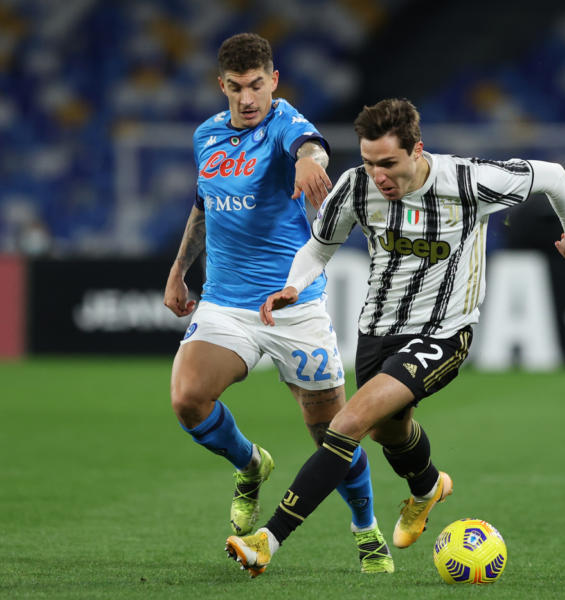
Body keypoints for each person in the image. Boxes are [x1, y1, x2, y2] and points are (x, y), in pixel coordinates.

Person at [225, 98, 565, 577]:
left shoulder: (467, 181)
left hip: (444, 333)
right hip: (376, 330)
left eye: (389, 163)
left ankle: (267, 540)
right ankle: (428, 486)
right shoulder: (355, 186)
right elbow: (319, 247)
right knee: (386, 432)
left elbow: (554, 176)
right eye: (369, 162)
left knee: (348, 424)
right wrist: (294, 285)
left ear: (417, 150)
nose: (378, 175)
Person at [163, 33, 393, 574]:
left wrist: (309, 163)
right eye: (236, 87)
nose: (248, 98)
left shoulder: (286, 123)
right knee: (189, 399)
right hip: (225, 303)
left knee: (332, 433)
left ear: (274, 81)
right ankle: (250, 465)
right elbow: (203, 207)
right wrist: (178, 271)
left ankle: (366, 528)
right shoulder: (206, 136)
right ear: (221, 85)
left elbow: (310, 145)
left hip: (294, 305)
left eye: (257, 85)